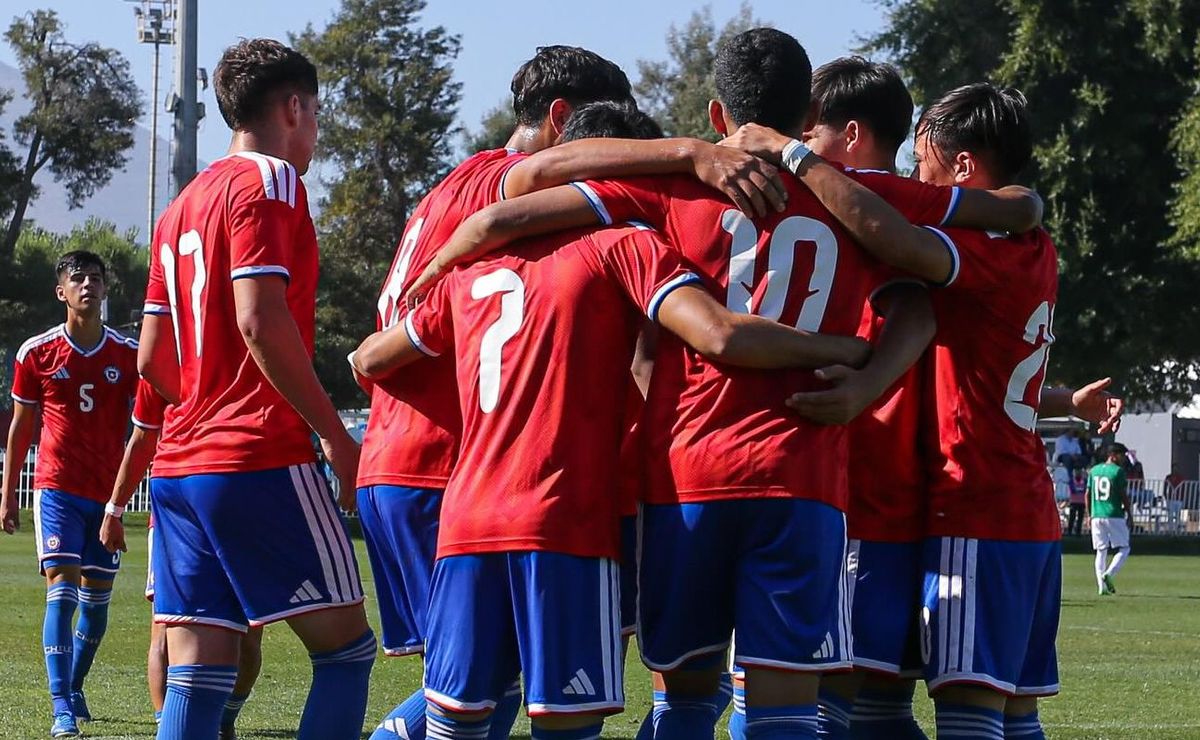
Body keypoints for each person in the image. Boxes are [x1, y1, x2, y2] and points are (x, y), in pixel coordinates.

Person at [357, 45, 783, 740]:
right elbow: (711, 335)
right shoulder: (536, 204)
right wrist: (693, 155)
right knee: (545, 696)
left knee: (473, 698)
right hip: (499, 475)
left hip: (441, 470)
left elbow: (368, 357)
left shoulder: (458, 197)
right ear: (563, 121)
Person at [351, 202, 870, 739]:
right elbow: (717, 333)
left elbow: (370, 358)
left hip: (466, 522)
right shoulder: (622, 246)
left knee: (452, 725)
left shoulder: (472, 267)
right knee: (568, 724)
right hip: (562, 521)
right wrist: (852, 351)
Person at [752, 81, 1124, 740]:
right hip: (1017, 511)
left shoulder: (986, 247)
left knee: (968, 717)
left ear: (962, 168)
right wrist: (1065, 401)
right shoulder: (1028, 242)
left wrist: (795, 158)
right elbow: (985, 379)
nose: (917, 181)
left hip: (972, 511)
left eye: (925, 164)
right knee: (1000, 714)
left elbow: (891, 236)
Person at [137, 39, 373, 740]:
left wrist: (206, 402)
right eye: (317, 114)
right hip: (256, 457)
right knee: (347, 651)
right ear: (294, 107)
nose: (317, 132)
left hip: (178, 467)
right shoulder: (271, 180)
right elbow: (259, 318)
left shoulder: (180, 207)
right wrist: (335, 435)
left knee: (200, 677)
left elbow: (153, 359)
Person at [1, 250, 139, 738]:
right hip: (56, 487)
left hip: (107, 499)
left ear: (106, 290)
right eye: (77, 278)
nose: (88, 285)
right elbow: (21, 428)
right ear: (61, 291)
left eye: (96, 279)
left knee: (97, 605)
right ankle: (61, 705)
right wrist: (7, 493)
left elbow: (145, 427)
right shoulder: (35, 352)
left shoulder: (127, 354)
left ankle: (76, 684)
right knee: (61, 590)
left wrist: (126, 498)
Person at [98, 380, 263, 739]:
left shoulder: (253, 352)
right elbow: (142, 435)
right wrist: (115, 507)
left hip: (244, 503)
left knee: (249, 640)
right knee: (167, 635)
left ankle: (224, 722)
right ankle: (167, 726)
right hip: (177, 513)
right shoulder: (165, 359)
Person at [1087, 443, 1134, 595]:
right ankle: (1109, 574)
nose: (1122, 459)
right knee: (1124, 548)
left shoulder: (1094, 471)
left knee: (1101, 551)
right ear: (1112, 455)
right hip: (1113, 514)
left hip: (1096, 515)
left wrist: (1089, 514)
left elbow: (1087, 495)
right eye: (1121, 455)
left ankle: (1101, 586)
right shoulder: (1118, 471)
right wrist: (1130, 514)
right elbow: (1123, 495)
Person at [1068, 467, 1088, 536]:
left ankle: (1078, 532)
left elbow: (1085, 490)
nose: (1078, 473)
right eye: (1076, 472)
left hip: (1082, 502)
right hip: (1073, 502)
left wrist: (1078, 490)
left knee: (1080, 518)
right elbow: (1073, 490)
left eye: (1079, 472)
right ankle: (1069, 531)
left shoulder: (1084, 481)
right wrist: (1080, 490)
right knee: (1072, 517)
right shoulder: (1071, 481)